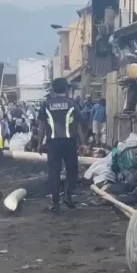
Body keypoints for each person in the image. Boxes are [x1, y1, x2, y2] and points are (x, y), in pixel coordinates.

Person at [38, 77, 87, 212]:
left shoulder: (46, 104)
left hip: (53, 143)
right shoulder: (72, 104)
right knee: (72, 171)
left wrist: (39, 143)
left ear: (53, 89)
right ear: (66, 89)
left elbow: (41, 126)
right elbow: (77, 125)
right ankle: (67, 196)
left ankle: (55, 203)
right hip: (70, 142)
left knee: (54, 173)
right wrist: (82, 143)